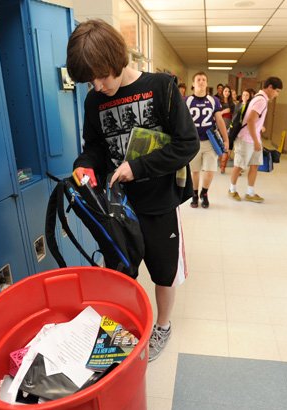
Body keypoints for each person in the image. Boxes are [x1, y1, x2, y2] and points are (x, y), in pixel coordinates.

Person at [66, 19, 199, 361]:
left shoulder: (161, 88)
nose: (96, 86)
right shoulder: (94, 102)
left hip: (158, 204)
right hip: (118, 210)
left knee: (163, 273)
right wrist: (85, 163)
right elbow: (94, 145)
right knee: (120, 274)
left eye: (101, 76)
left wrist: (136, 167)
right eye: (89, 81)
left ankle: (163, 327)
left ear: (117, 60)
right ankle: (123, 335)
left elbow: (187, 145)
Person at [229, 77, 283, 203]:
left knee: (254, 166)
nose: (277, 94)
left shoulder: (260, 98)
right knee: (239, 166)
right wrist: (256, 141)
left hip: (254, 139)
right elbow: (251, 121)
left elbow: (255, 121)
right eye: (277, 91)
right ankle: (232, 190)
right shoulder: (261, 100)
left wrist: (259, 132)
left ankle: (250, 192)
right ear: (270, 87)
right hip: (246, 139)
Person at [186, 72, 230, 208]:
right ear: (193, 84)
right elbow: (179, 120)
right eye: (198, 79)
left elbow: (219, 120)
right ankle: (194, 194)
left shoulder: (213, 100)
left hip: (210, 142)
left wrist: (226, 139)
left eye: (203, 79)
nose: (201, 81)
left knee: (210, 171)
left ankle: (204, 193)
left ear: (207, 83)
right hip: (192, 142)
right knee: (194, 171)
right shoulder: (186, 100)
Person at [219, 85, 235, 173]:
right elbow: (216, 113)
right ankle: (220, 162)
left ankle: (223, 166)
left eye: (228, 91)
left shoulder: (232, 103)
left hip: (229, 124)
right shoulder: (218, 101)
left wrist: (225, 111)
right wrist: (223, 112)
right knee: (219, 143)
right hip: (219, 123)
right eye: (225, 91)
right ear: (222, 92)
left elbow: (233, 114)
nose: (227, 93)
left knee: (227, 145)